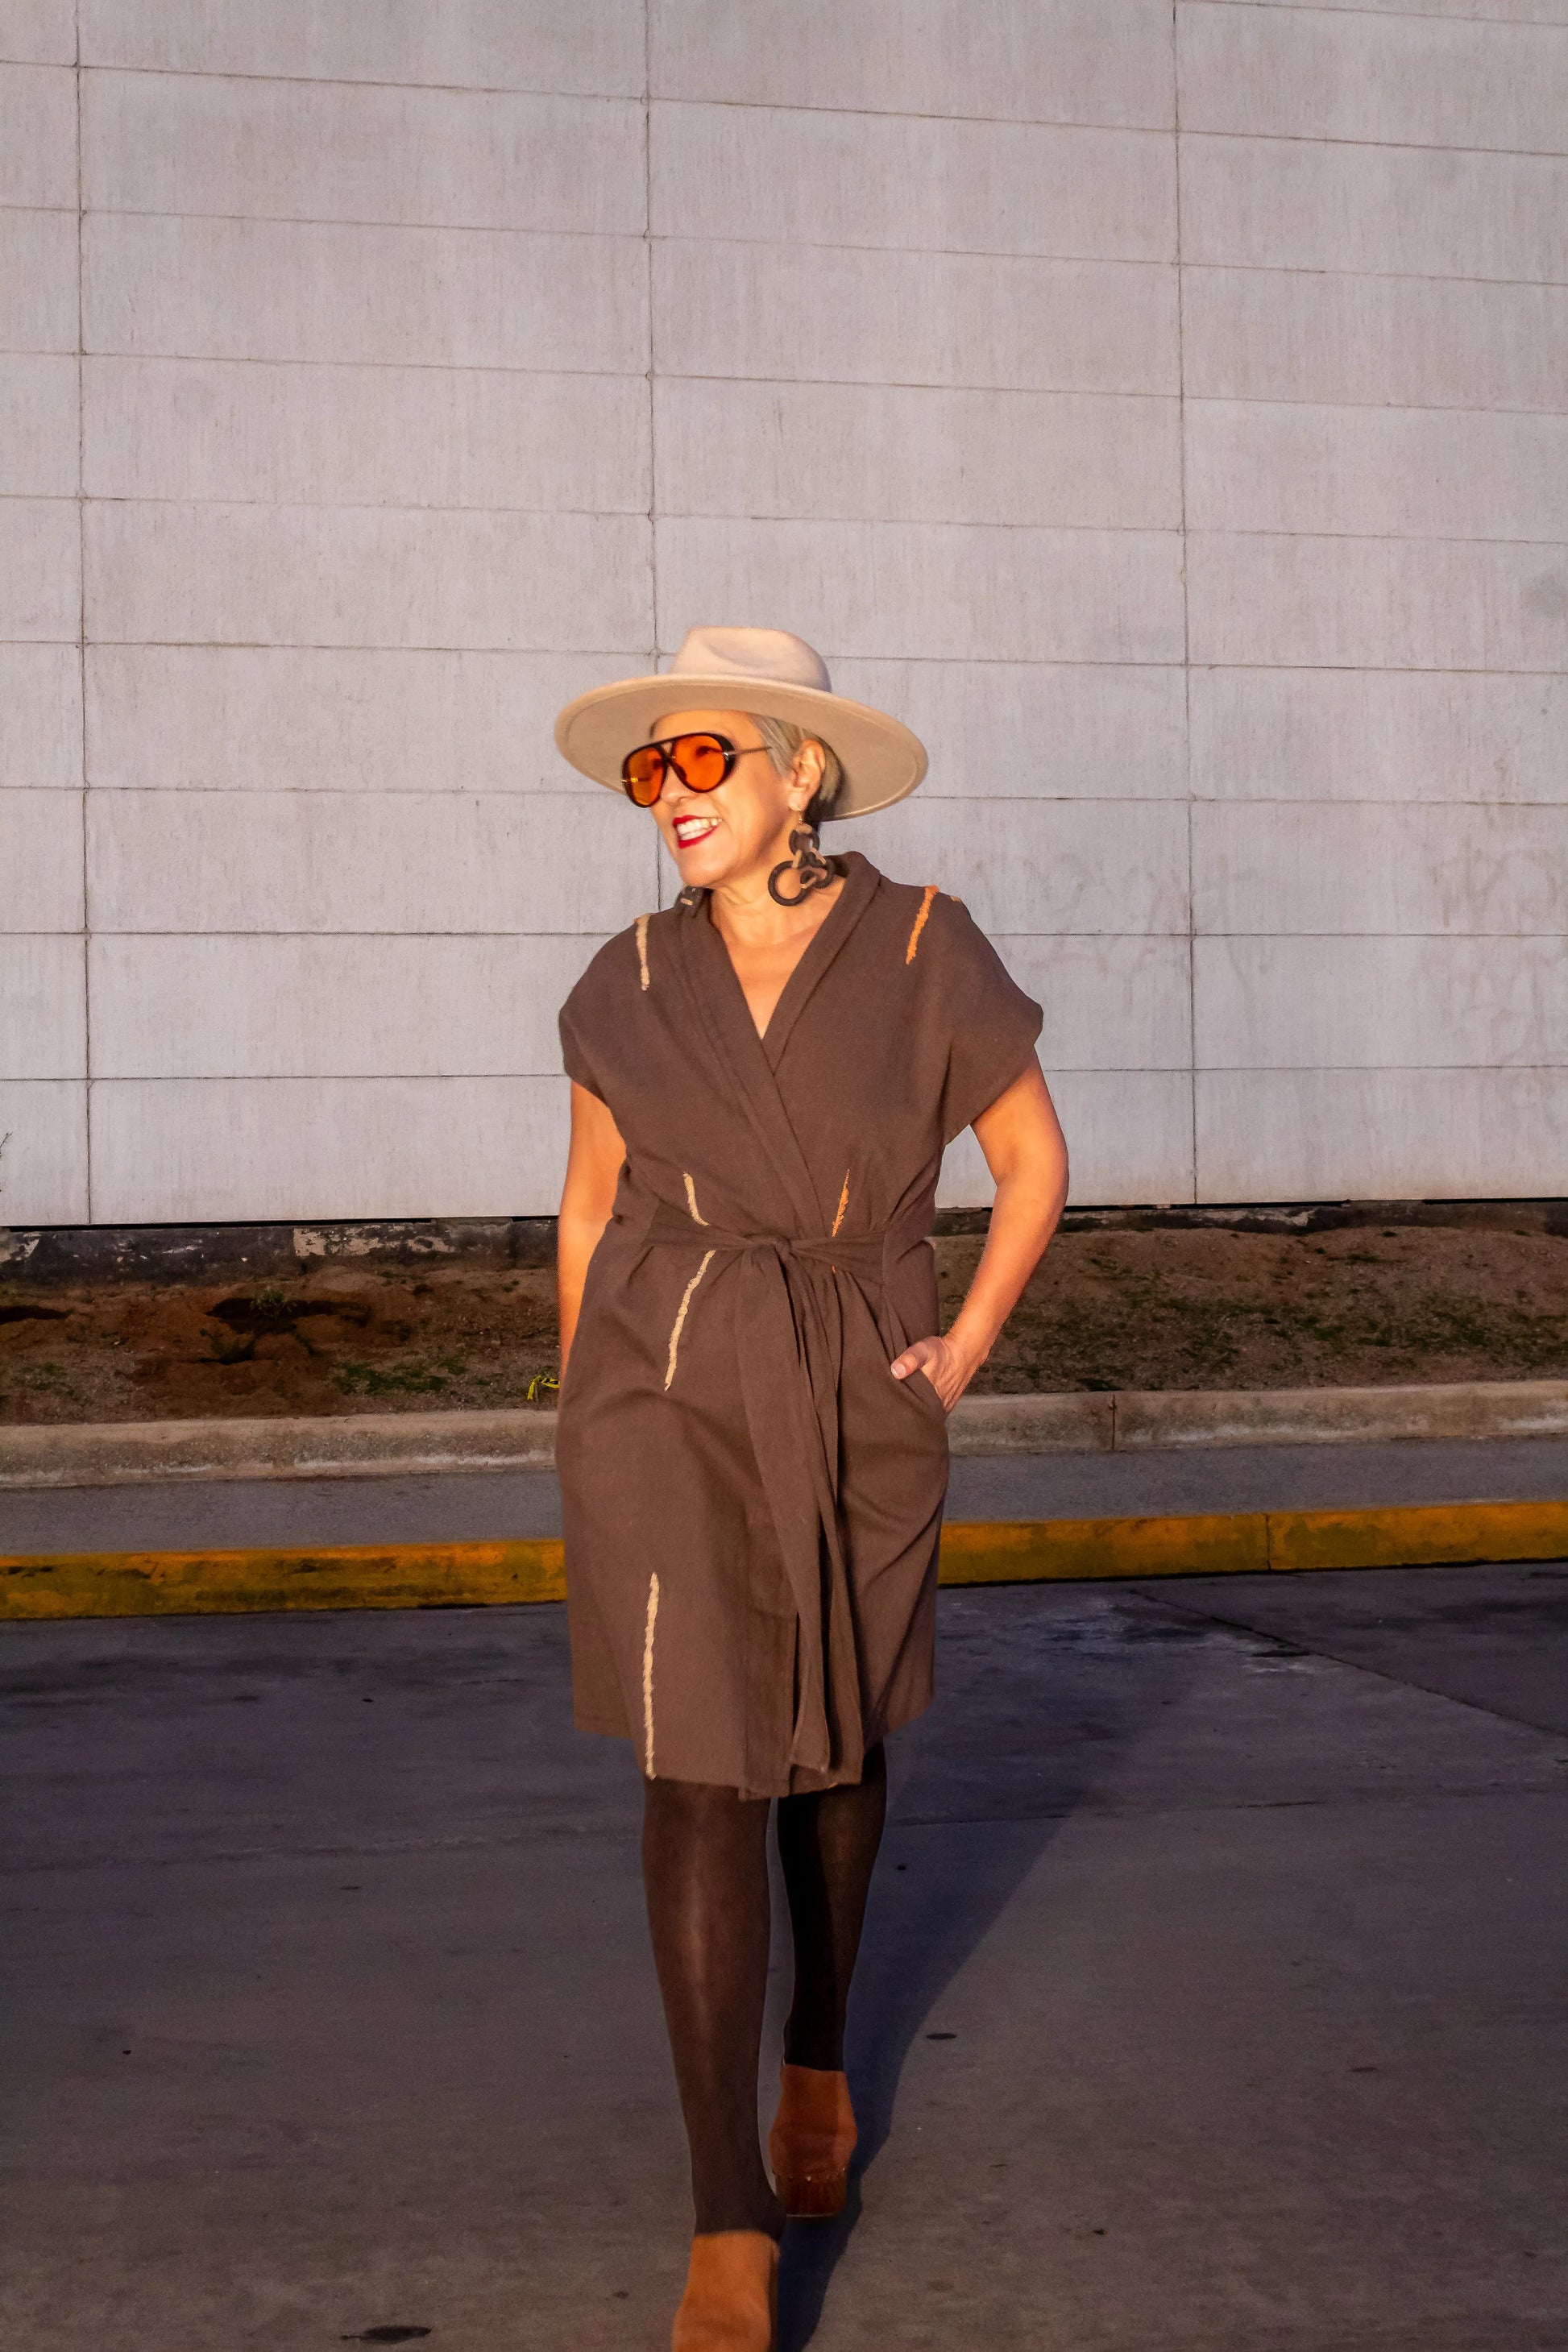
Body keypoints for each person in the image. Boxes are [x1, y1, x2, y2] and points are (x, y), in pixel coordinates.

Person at [552, 627, 1068, 2351]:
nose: (670, 793)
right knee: (695, 1766)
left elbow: (1030, 1159)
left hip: (857, 1378)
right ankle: (726, 2216)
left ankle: (821, 2052)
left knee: (835, 1739)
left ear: (801, 775)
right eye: (653, 768)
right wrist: (586, 1404)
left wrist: (963, 1346)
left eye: (703, 759)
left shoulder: (925, 948)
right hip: (667, 1389)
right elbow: (587, 1204)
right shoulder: (630, 974)